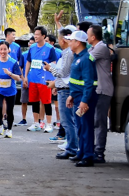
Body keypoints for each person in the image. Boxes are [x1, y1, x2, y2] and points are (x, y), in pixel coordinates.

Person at [66, 30, 98, 167]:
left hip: (85, 99)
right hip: (78, 97)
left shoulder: (86, 59)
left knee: (86, 126)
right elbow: (77, 80)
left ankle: (88, 155)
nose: (69, 43)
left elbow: (89, 83)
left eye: (71, 40)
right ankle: (82, 152)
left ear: (78, 42)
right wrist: (72, 95)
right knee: (80, 126)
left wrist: (84, 101)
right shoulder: (78, 57)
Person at [46, 29, 78, 158]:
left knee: (67, 121)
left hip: (66, 90)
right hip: (63, 88)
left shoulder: (68, 53)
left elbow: (63, 73)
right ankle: (72, 146)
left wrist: (50, 69)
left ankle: (72, 147)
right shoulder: (67, 52)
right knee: (68, 121)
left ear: (62, 40)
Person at [24, 26, 58, 132]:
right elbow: (29, 61)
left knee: (47, 102)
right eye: (35, 34)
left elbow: (54, 62)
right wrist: (25, 76)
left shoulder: (49, 48)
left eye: (38, 34)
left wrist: (49, 71)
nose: (36, 36)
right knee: (34, 101)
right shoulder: (32, 47)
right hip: (33, 78)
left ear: (43, 36)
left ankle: (48, 124)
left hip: (44, 79)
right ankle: (35, 123)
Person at [88, 24, 113, 164]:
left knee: (100, 122)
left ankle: (99, 153)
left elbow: (85, 60)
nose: (86, 37)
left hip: (103, 89)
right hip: (97, 89)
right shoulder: (94, 48)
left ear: (93, 37)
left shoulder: (101, 48)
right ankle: (93, 150)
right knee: (94, 121)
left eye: (87, 34)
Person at [0, 41, 23, 138]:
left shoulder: (13, 62)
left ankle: (9, 129)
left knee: (9, 110)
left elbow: (18, 78)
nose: (3, 51)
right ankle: (0, 125)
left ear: (8, 50)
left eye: (5, 49)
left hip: (10, 90)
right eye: (1, 49)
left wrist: (10, 74)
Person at [17, 36, 34, 126]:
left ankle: (38, 119)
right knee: (24, 101)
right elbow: (20, 68)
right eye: (30, 43)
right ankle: (24, 119)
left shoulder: (38, 54)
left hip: (36, 81)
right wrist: (23, 79)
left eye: (33, 43)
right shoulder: (24, 54)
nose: (31, 44)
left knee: (36, 101)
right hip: (26, 81)